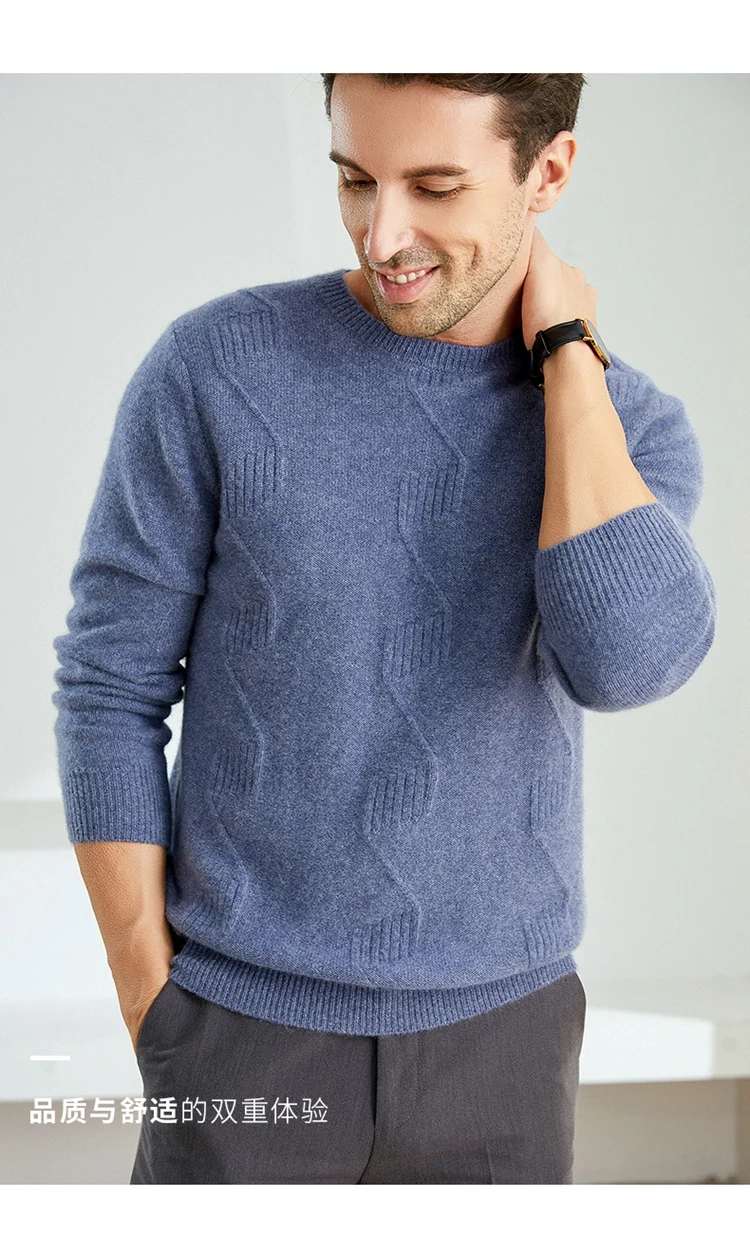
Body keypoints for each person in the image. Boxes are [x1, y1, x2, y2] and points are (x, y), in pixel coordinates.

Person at [51, 73, 717, 1185]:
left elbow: (629, 663)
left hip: (504, 1043)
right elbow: (108, 686)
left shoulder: (625, 427)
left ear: (548, 171)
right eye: (356, 179)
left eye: (436, 187)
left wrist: (567, 356)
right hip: (240, 1028)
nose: (383, 234)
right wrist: (154, 1005)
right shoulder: (216, 370)